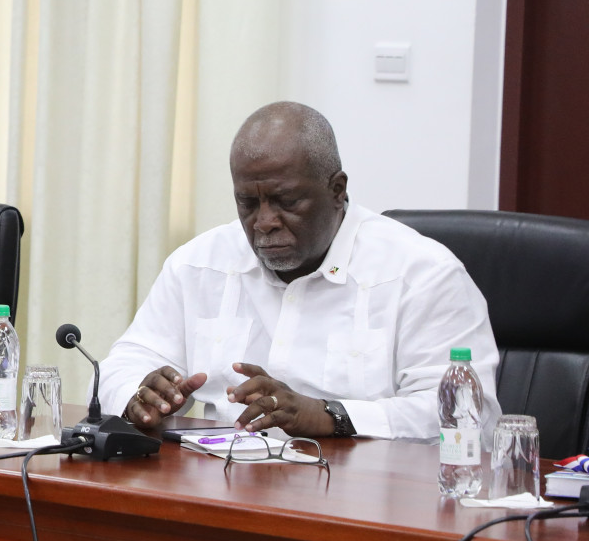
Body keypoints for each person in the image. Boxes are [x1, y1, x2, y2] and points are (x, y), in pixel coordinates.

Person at [101, 101, 499, 440]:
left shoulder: (422, 275)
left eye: (286, 201)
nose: (264, 222)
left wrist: (331, 415)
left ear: (337, 190)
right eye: (248, 203)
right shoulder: (199, 264)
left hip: (359, 493)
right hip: (219, 485)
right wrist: (139, 395)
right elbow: (121, 366)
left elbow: (467, 415)